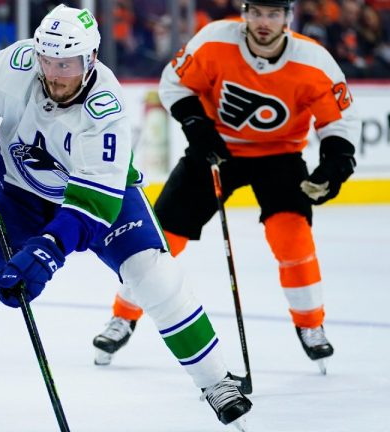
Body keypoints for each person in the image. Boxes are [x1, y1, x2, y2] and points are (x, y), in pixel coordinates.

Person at [0, 5, 252, 430]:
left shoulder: (106, 111)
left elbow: (92, 206)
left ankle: (216, 382)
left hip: (101, 199)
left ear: (90, 59)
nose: (56, 74)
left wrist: (47, 250)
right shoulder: (17, 65)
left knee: (154, 276)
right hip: (19, 191)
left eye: (69, 63)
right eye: (49, 60)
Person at [93, 0, 359, 375]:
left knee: (292, 236)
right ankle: (123, 317)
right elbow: (174, 83)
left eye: (274, 14)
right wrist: (196, 126)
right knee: (161, 238)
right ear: (245, 12)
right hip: (215, 149)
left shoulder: (314, 61)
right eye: (257, 13)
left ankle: (310, 323)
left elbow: (339, 122)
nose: (264, 22)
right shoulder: (215, 40)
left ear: (288, 17)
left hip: (280, 155)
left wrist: (335, 162)